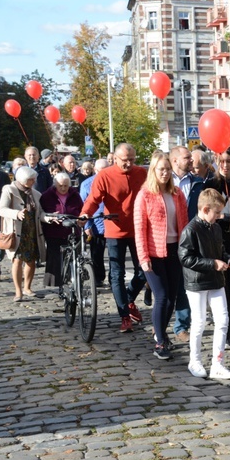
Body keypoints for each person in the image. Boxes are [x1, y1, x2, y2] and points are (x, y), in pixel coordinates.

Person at [178, 188, 230, 379]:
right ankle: (195, 360)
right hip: (197, 282)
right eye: (216, 212)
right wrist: (212, 263)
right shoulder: (191, 230)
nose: (219, 216)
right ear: (206, 209)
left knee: (223, 320)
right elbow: (186, 258)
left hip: (216, 280)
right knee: (199, 323)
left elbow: (221, 252)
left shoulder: (215, 228)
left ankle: (217, 363)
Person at [81, 143, 148, 333]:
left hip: (137, 229)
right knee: (116, 274)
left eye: (132, 160)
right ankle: (124, 316)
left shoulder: (141, 173)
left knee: (144, 270)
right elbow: (93, 199)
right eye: (125, 160)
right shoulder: (105, 175)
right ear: (115, 159)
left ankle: (128, 299)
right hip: (114, 230)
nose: (128, 164)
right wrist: (86, 215)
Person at [134, 152, 189, 360]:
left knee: (172, 298)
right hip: (154, 253)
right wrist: (143, 257)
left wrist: (186, 250)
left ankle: (163, 334)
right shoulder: (145, 195)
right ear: (153, 171)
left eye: (167, 169)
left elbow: (184, 223)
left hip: (175, 250)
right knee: (162, 296)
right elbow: (139, 229)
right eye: (161, 170)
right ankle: (159, 341)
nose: (165, 173)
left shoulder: (177, 194)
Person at [204, 148, 230, 348]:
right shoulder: (210, 184)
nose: (225, 165)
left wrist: (225, 219)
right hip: (215, 242)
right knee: (220, 286)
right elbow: (207, 216)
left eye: (229, 161)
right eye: (221, 161)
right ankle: (224, 328)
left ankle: (225, 323)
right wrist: (226, 220)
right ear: (216, 161)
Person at [0, 166, 53, 301]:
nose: (34, 182)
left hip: (32, 230)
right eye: (31, 180)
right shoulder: (9, 190)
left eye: (34, 179)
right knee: (17, 260)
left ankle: (27, 287)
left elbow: (40, 214)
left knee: (31, 260)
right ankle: (18, 291)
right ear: (22, 180)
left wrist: (49, 218)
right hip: (17, 231)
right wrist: (16, 213)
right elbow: (1, 209)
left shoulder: (35, 194)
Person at [170, 146, 205, 342]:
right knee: (167, 285)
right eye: (187, 158)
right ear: (175, 161)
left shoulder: (198, 183)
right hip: (165, 237)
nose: (191, 161)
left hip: (189, 238)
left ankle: (181, 325)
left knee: (186, 282)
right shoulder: (163, 180)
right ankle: (161, 321)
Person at [39, 172, 84, 287]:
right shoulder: (46, 196)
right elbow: (41, 213)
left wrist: (82, 219)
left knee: (74, 258)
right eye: (60, 186)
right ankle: (56, 285)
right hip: (54, 232)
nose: (63, 188)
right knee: (55, 260)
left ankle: (75, 282)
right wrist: (50, 217)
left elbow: (82, 209)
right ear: (55, 185)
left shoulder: (75, 195)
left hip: (73, 230)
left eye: (66, 185)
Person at [80, 159, 110, 286]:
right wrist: (86, 225)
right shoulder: (87, 184)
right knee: (97, 252)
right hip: (96, 222)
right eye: (100, 171)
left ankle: (114, 278)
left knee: (115, 253)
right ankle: (98, 277)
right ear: (95, 170)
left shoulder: (113, 181)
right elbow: (83, 205)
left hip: (112, 221)